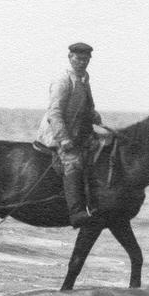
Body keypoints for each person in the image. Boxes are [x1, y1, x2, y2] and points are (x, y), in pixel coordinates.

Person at [35, 41, 108, 227]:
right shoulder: (63, 81)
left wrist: (94, 115)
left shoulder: (84, 78)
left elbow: (85, 106)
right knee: (73, 162)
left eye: (86, 59)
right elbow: (55, 113)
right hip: (57, 134)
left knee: (106, 150)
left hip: (79, 132)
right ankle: (76, 212)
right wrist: (64, 139)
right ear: (70, 58)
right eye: (79, 59)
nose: (82, 62)